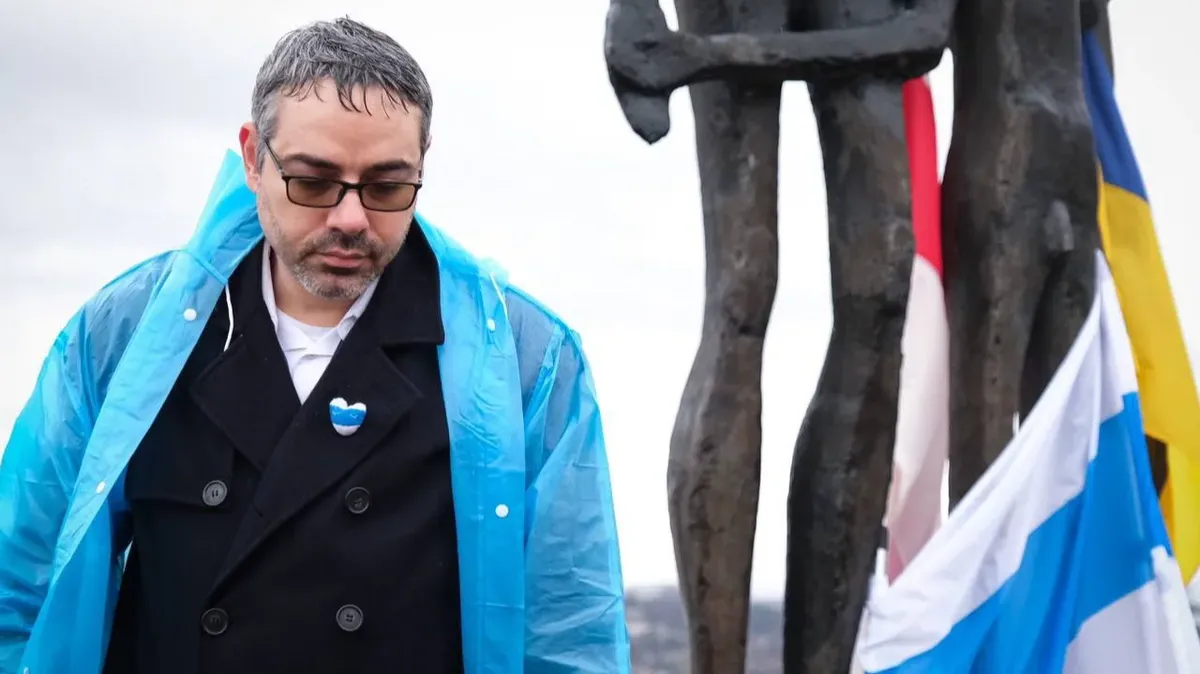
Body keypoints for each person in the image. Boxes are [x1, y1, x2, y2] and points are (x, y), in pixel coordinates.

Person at [0, 17, 630, 674]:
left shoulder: (530, 360)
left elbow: (571, 628)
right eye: (313, 181)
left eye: (386, 186)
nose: (350, 218)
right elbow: (19, 587)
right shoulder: (122, 334)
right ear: (253, 159)